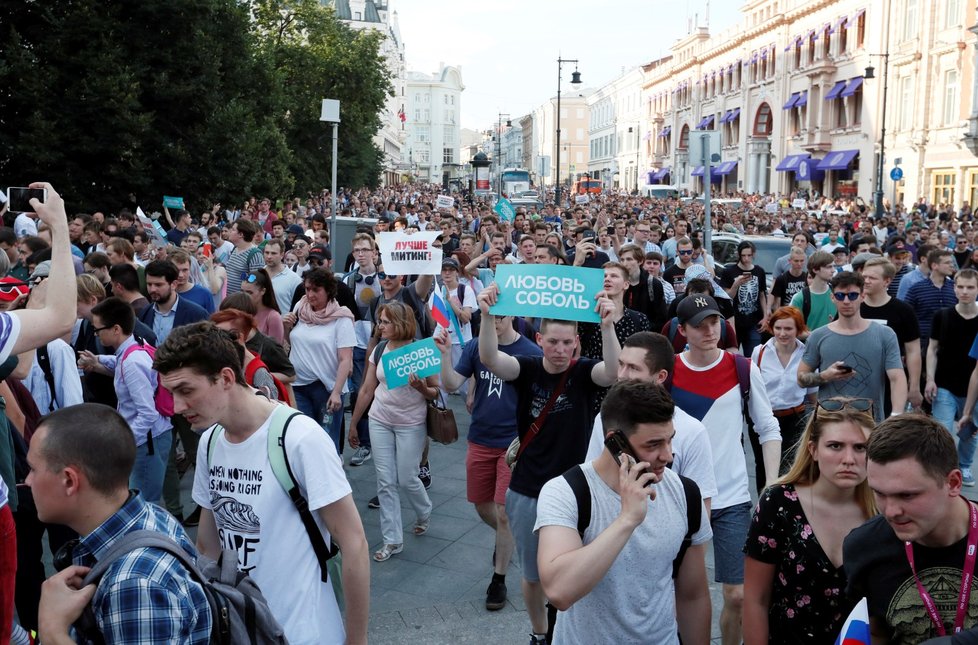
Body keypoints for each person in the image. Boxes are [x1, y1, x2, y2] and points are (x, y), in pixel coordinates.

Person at [155, 322, 369, 645]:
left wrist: (357, 640)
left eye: (186, 390)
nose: (177, 406)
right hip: (239, 630)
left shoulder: (300, 438)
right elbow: (208, 548)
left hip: (304, 632)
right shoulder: (211, 442)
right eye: (171, 393)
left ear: (226, 378)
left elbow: (354, 544)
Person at [477, 282, 620, 644]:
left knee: (577, 568)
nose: (559, 350)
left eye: (567, 343)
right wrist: (486, 316)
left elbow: (613, 373)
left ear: (576, 343)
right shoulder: (526, 369)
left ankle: (570, 629)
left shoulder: (584, 372)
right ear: (539, 340)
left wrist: (607, 326)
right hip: (529, 487)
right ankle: (541, 632)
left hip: (576, 489)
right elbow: (492, 359)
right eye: (552, 342)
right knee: (533, 574)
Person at [535, 380, 712, 644]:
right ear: (614, 441)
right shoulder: (565, 492)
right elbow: (560, 591)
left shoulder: (685, 494)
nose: (668, 455)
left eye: (670, 440)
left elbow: (693, 595)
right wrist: (627, 520)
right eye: (653, 445)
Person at [30, 404, 212, 644]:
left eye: (33, 469)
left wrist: (52, 630)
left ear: (69, 480)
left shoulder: (135, 585)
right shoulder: (151, 516)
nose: (27, 480)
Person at [668, 293, 782, 645]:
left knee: (737, 594)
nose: (709, 330)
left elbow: (768, 429)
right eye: (699, 325)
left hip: (731, 497)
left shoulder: (743, 368)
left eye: (714, 322)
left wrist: (773, 484)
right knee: (681, 592)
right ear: (683, 330)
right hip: (680, 498)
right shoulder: (668, 369)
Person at [743, 398, 876, 645]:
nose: (849, 458)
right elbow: (754, 599)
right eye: (835, 446)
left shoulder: (885, 509)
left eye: (860, 447)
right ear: (813, 449)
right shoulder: (779, 502)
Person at [435, 312, 543, 610]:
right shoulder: (473, 348)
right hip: (480, 436)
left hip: (514, 442)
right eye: (486, 316)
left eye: (498, 316)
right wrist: (445, 356)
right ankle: (509, 542)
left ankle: (499, 579)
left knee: (504, 512)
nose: (492, 321)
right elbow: (452, 381)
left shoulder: (530, 352)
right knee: (481, 505)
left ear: (511, 316)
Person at [844, 414, 978, 643]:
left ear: (953, 483)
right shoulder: (864, 547)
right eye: (879, 493)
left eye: (907, 495)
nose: (890, 511)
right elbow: (875, 631)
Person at [583, 331, 719, 512]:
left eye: (633, 368)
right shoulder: (605, 418)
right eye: (621, 364)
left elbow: (700, 508)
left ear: (661, 376)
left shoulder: (693, 431)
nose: (622, 375)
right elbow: (592, 479)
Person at [348, 301, 437, 562]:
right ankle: (392, 540)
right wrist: (354, 423)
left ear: (400, 323)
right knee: (385, 481)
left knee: (407, 478)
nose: (380, 326)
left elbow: (435, 391)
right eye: (380, 321)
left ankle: (424, 510)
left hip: (411, 422)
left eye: (385, 322)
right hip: (380, 419)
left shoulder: (420, 351)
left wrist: (421, 388)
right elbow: (366, 389)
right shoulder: (379, 349)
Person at [79, 297, 172, 504]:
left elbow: (148, 413)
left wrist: (126, 439)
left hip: (147, 442)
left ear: (116, 329)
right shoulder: (133, 348)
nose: (96, 334)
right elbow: (120, 363)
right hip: (150, 439)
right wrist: (99, 361)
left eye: (98, 329)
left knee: (144, 503)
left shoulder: (132, 361)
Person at [798, 272, 908, 423]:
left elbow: (897, 377)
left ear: (863, 296)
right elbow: (801, 378)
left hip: (870, 421)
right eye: (840, 296)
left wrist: (896, 415)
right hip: (830, 421)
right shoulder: (818, 336)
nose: (847, 301)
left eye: (853, 295)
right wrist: (825, 376)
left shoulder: (885, 334)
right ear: (832, 298)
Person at [283, 268, 355, 454]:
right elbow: (292, 343)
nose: (310, 294)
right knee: (302, 440)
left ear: (328, 290)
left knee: (325, 442)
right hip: (298, 386)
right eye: (307, 289)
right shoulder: (300, 307)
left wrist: (337, 392)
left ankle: (331, 479)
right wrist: (286, 328)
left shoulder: (342, 318)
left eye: (316, 290)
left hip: (326, 389)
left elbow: (345, 359)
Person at [925, 268, 978, 485]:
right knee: (943, 430)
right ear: (954, 288)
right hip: (945, 383)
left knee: (969, 433)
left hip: (973, 385)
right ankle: (944, 469)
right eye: (961, 287)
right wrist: (929, 378)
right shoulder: (943, 315)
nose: (965, 291)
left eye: (970, 287)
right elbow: (932, 348)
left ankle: (964, 466)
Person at [752, 306, 817, 473]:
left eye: (788, 328)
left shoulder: (807, 355)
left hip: (795, 419)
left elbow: (812, 394)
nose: (782, 333)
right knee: (764, 467)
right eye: (778, 328)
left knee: (790, 468)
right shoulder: (759, 352)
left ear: (798, 330)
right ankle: (764, 499)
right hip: (764, 418)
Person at [860, 257, 923, 413]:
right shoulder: (852, 306)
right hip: (858, 381)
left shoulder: (903, 311)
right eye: (864, 277)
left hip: (891, 382)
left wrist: (914, 386)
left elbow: (913, 350)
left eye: (872, 278)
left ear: (887, 281)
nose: (866, 281)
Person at [905, 248, 958, 356]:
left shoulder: (956, 288)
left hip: (951, 344)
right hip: (922, 344)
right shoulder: (916, 289)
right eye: (947, 263)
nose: (951, 265)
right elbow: (906, 317)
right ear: (934, 266)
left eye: (951, 262)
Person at [720, 240, 768, 356]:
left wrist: (765, 316)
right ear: (739, 255)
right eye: (743, 255)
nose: (746, 258)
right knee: (733, 356)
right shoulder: (729, 271)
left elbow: (762, 295)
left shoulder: (759, 271)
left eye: (749, 255)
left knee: (753, 356)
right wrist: (736, 285)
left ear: (753, 254)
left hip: (754, 321)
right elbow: (727, 297)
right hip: (734, 321)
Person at [789, 250, 836, 332]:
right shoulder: (800, 298)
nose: (833, 270)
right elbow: (792, 330)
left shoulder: (838, 294)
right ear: (815, 269)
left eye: (833, 266)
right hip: (810, 344)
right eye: (829, 267)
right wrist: (816, 336)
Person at [240, 269, 285, 343]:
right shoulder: (240, 311)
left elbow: (276, 350)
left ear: (263, 291)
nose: (245, 296)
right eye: (242, 292)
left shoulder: (273, 317)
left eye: (249, 293)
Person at [223, 218, 265, 295]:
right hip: (229, 300)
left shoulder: (255, 254)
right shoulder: (235, 249)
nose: (230, 232)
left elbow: (256, 282)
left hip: (242, 303)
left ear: (241, 234)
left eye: (233, 230)